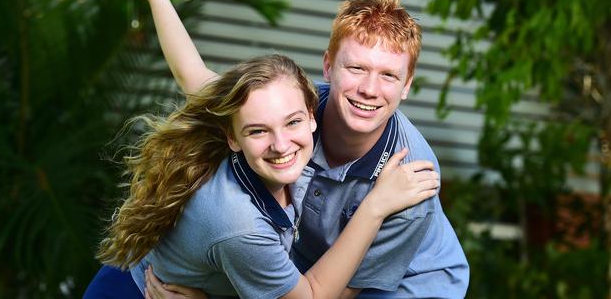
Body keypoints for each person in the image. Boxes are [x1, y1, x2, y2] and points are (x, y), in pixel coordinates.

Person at [108, 0, 469, 298]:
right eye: (356, 68)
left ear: (407, 85)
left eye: (388, 76)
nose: (369, 89)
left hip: (406, 285)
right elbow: (196, 79)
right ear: (327, 67)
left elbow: (333, 295)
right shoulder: (290, 111)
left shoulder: (408, 186)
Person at [85, 54, 439, 299]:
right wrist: (375, 206)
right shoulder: (238, 222)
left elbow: (192, 74)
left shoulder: (287, 155)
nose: (281, 143)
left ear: (312, 116)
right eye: (258, 131)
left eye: (293, 121)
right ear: (232, 138)